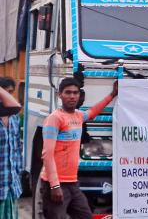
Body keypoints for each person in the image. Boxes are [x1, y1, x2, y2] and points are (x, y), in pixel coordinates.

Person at [40, 78, 118, 219]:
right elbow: (47, 155)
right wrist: (54, 185)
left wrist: (112, 94)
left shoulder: (78, 116)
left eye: (75, 93)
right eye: (68, 92)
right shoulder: (55, 118)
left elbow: (93, 112)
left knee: (85, 215)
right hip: (57, 184)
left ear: (79, 95)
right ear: (60, 95)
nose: (72, 96)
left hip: (72, 183)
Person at [0, 77, 22, 219]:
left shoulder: (14, 118)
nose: (9, 96)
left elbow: (16, 150)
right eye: (6, 93)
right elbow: (16, 106)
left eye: (11, 93)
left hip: (11, 185)